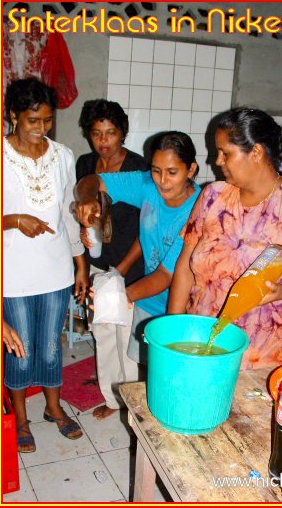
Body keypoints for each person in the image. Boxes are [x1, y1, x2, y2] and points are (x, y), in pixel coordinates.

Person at [168, 108, 282, 369]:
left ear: (257, 153)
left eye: (226, 153)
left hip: (259, 355)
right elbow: (185, 268)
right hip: (199, 341)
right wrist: (174, 331)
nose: (217, 161)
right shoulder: (212, 197)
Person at [3, 78, 89, 453]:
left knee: (52, 348)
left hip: (56, 272)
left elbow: (70, 215)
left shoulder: (63, 156)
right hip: (13, 276)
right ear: (12, 116)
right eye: (32, 121)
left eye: (47, 120)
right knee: (20, 350)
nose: (41, 129)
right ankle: (21, 418)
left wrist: (80, 263)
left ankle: (54, 408)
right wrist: (14, 219)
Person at [74, 131, 201, 377]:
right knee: (145, 369)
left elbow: (165, 275)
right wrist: (87, 198)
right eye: (156, 170)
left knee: (172, 374)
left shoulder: (197, 211)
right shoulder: (147, 185)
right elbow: (93, 180)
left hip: (184, 308)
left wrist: (117, 295)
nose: (162, 181)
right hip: (147, 302)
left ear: (191, 169)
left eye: (172, 172)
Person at [76, 99, 149, 421]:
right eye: (96, 134)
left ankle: (132, 400)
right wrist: (83, 235)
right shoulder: (85, 165)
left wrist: (122, 270)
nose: (104, 142)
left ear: (123, 134)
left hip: (131, 265)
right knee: (103, 331)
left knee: (128, 337)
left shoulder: (139, 168)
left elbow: (147, 230)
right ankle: (112, 397)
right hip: (98, 262)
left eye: (111, 133)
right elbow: (81, 210)